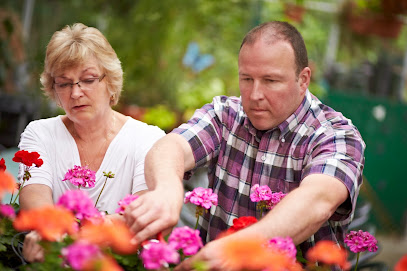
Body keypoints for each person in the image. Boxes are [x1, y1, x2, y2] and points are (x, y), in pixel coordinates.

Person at [124, 21, 366, 270]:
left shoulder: (336, 136)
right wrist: (166, 190)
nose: (255, 94)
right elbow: (170, 147)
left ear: (303, 79)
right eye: (247, 78)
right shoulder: (225, 115)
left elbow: (317, 201)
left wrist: (239, 249)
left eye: (271, 80)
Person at [17, 23, 165, 262]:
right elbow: (34, 198)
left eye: (88, 80)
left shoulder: (148, 139)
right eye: (64, 84)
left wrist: (70, 237)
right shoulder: (40, 133)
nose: (75, 93)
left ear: (111, 81)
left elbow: (142, 214)